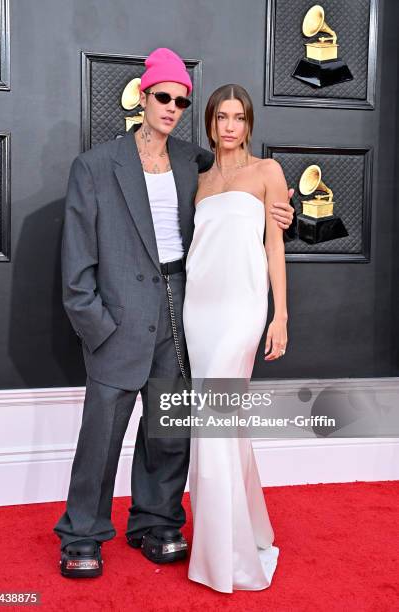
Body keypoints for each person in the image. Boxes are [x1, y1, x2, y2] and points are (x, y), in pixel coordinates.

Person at [54, 49, 294, 578]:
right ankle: (81, 534)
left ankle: (157, 522)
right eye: (163, 96)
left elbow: (245, 195)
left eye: (182, 100)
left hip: (183, 310)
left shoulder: (194, 161)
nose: (172, 106)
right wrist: (95, 324)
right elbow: (75, 263)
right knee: (102, 434)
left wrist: (286, 210)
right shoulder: (95, 166)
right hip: (118, 315)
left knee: (169, 430)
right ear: (143, 97)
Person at [183, 84, 288, 592]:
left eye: (238, 117)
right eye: (221, 116)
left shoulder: (267, 173)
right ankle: (246, 529)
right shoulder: (199, 180)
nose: (229, 125)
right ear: (209, 123)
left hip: (243, 308)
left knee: (214, 422)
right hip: (197, 312)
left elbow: (275, 248)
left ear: (248, 124)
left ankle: (226, 558)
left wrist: (280, 315)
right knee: (224, 423)